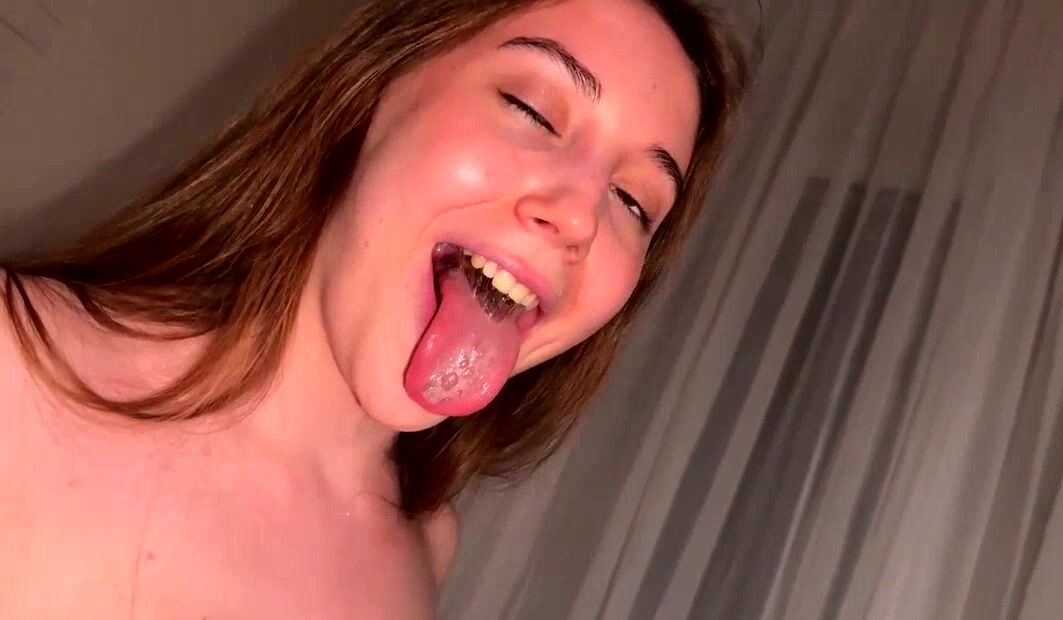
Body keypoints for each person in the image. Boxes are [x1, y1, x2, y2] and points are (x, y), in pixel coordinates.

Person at [0, 0, 746, 616]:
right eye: (530, 109)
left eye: (634, 202)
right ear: (374, 89)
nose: (582, 217)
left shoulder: (426, 547)